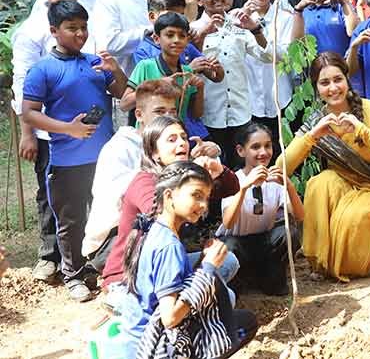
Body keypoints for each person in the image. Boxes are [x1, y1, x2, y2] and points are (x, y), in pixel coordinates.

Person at [22, 0, 128, 301]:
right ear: (54, 31)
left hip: (105, 159)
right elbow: (29, 112)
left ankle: (103, 269)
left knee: (107, 216)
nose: (80, 34)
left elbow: (124, 94)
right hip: (68, 160)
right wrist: (69, 128)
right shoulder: (42, 69)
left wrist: (115, 69)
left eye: (83, 27)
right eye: (72, 29)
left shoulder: (96, 62)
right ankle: (73, 274)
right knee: (71, 221)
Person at [119, 161, 257, 358]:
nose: (203, 206)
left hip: (139, 336)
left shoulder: (157, 229)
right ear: (169, 196)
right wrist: (208, 268)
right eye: (196, 196)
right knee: (243, 324)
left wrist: (203, 260)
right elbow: (170, 318)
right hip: (153, 346)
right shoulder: (169, 246)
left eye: (207, 198)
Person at [277, 52, 370, 281]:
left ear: (347, 80)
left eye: (337, 79)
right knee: (319, 183)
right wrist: (312, 136)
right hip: (341, 185)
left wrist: (362, 131)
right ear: (316, 88)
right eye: (324, 83)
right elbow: (281, 168)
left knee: (354, 217)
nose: (333, 88)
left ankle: (353, 264)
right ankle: (320, 263)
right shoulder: (317, 119)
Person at [101, 116, 239, 300]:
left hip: (166, 264)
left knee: (228, 261)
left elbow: (232, 189)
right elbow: (161, 215)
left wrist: (219, 170)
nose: (182, 143)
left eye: (183, 137)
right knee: (225, 297)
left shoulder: (183, 178)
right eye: (171, 140)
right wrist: (191, 180)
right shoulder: (145, 180)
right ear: (155, 153)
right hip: (128, 277)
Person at [11, 0, 80, 284]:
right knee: (49, 192)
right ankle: (48, 255)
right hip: (48, 130)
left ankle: (80, 255)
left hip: (83, 127)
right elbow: (23, 84)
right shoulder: (33, 31)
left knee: (83, 191)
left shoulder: (80, 20)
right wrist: (27, 132)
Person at [82, 80, 181, 272]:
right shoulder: (120, 148)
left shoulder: (171, 144)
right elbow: (127, 199)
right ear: (139, 115)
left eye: (173, 111)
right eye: (160, 112)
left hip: (152, 227)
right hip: (112, 241)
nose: (168, 118)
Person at [196, 0, 272, 167]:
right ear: (199, 0)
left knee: (245, 169)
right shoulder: (193, 29)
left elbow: (268, 56)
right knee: (214, 170)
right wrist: (204, 34)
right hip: (210, 115)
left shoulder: (239, 24)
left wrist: (255, 29)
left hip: (241, 113)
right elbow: (187, 65)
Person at [217, 124, 303, 295]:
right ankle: (237, 284)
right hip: (238, 243)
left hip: (264, 242)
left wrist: (290, 187)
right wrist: (243, 188)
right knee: (229, 246)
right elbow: (228, 222)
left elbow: (299, 216)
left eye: (267, 145)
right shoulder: (233, 180)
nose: (263, 152)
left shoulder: (275, 179)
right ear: (241, 151)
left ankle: (272, 280)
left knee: (288, 233)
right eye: (255, 147)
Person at [242, 0, 296, 159]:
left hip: (280, 95)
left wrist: (257, 32)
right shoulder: (237, 18)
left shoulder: (285, 19)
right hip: (250, 97)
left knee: (280, 153)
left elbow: (283, 55)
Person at [120, 12, 205, 126]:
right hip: (147, 136)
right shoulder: (145, 66)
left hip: (173, 136)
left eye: (182, 36)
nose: (176, 40)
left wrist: (200, 88)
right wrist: (157, 84)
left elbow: (196, 114)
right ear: (156, 38)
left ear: (187, 40)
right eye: (170, 35)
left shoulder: (187, 72)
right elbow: (124, 105)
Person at [291, 0, 359, 59]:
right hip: (315, 71)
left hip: (343, 69)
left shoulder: (341, 6)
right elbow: (296, 47)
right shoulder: (301, 11)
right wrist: (298, 10)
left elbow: (354, 33)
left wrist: (343, 2)